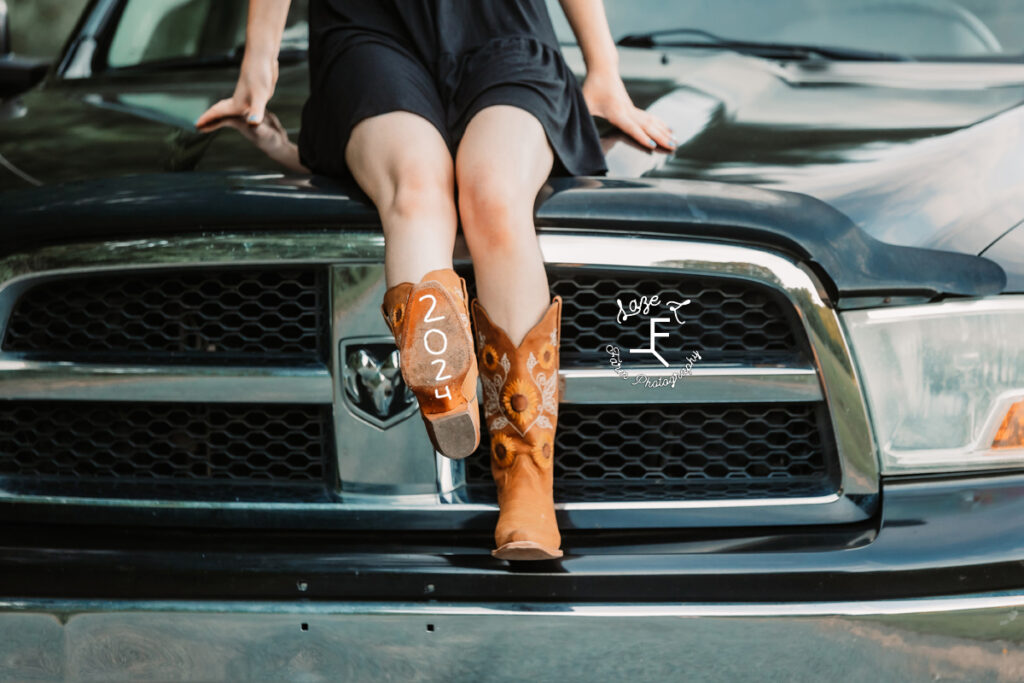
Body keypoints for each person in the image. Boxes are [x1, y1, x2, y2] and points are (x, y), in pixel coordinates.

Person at [196, 0, 675, 561]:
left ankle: (486, 425)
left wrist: (604, 71)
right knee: (429, 190)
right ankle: (472, 415)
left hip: (503, 33)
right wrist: (259, 61)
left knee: (475, 193)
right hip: (368, 33)